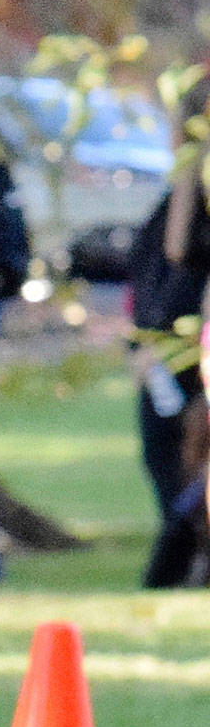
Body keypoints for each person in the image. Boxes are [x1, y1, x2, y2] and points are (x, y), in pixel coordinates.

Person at [127, 94, 210, 586]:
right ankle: (187, 548)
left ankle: (188, 549)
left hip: (185, 341)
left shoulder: (192, 183)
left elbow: (180, 251)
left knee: (182, 448)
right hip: (167, 339)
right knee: (172, 451)